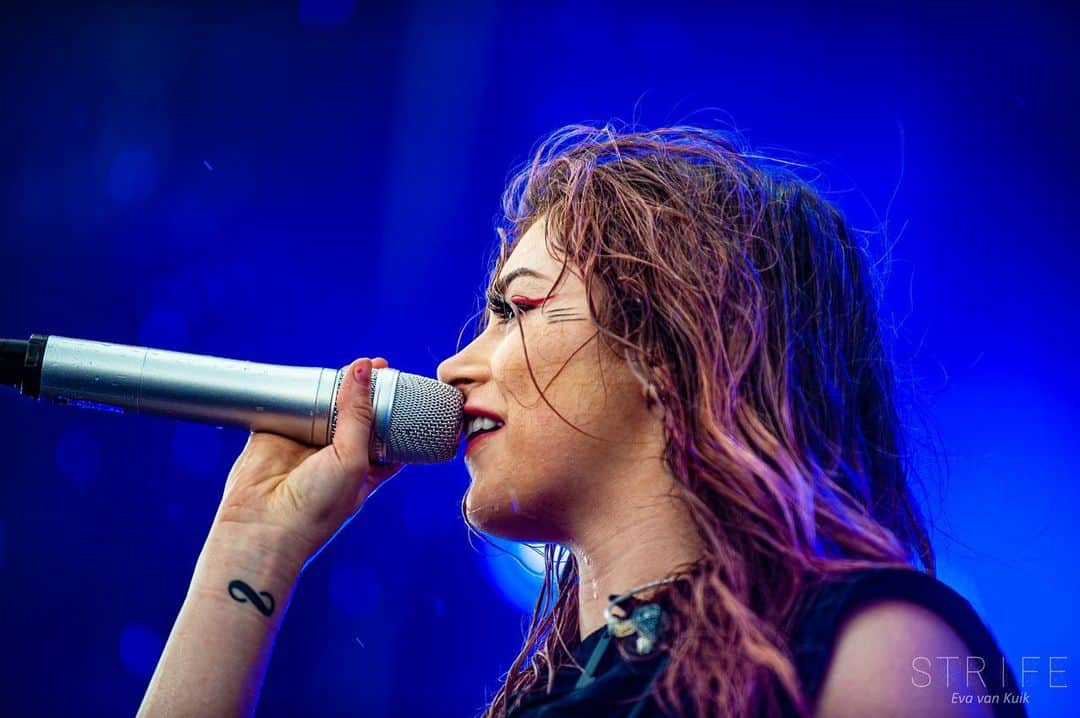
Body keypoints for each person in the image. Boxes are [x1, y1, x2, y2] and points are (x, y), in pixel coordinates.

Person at [138, 125, 1025, 718]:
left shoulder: (876, 648)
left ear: (671, 348)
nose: (454, 366)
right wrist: (253, 541)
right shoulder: (558, 695)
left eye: (515, 309)